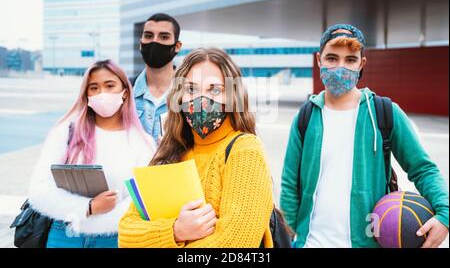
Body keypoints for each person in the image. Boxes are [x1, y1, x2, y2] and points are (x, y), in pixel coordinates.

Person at [280, 24, 449, 248]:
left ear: (361, 63)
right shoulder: (305, 117)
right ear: (319, 60)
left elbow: (422, 168)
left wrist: (445, 214)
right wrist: (291, 237)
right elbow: (289, 185)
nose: (340, 67)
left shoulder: (384, 112)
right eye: (332, 58)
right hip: (310, 243)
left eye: (350, 60)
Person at [118, 48, 274, 248]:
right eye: (191, 89)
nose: (201, 100)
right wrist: (175, 231)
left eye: (215, 90)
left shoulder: (245, 150)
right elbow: (127, 233)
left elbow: (235, 244)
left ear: (232, 97)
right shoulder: (170, 151)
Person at [28, 60, 156, 248]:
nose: (101, 93)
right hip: (65, 236)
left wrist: (102, 219)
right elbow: (39, 191)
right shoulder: (66, 131)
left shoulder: (143, 143)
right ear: (86, 94)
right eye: (93, 88)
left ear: (125, 92)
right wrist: (88, 207)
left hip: (116, 239)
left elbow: (144, 199)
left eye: (110, 85)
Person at [133, 13, 183, 144]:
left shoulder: (191, 94)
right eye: (148, 36)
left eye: (164, 37)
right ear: (140, 43)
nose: (155, 41)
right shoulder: (125, 91)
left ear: (177, 46)